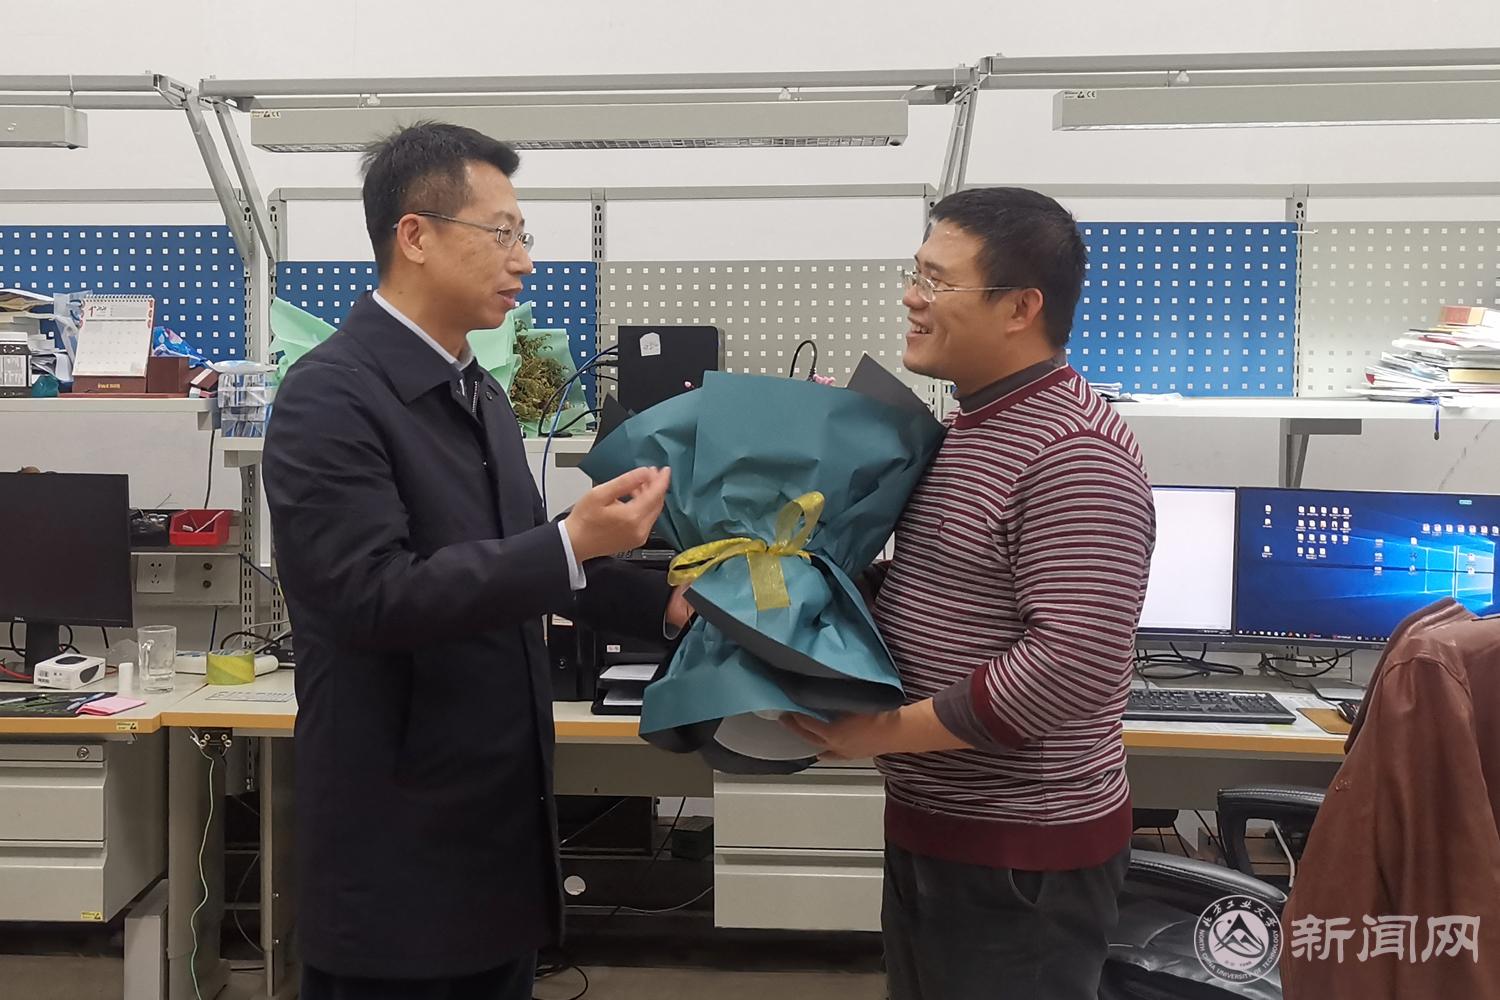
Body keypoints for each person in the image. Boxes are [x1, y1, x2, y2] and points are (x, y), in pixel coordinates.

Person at [264, 122, 690, 1000]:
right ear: (414, 236)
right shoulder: (330, 397)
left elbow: (520, 555)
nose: (523, 261)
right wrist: (570, 541)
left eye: (523, 235)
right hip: (399, 854)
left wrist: (666, 604)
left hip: (496, 839)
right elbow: (370, 597)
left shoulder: (477, 391)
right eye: (501, 233)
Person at [785, 187, 1156, 999]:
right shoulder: (968, 431)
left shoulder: (1074, 452)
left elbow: (1069, 666)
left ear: (1021, 307)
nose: (912, 298)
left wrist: (882, 732)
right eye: (915, 274)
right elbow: (940, 589)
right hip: (939, 828)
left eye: (938, 281)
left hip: (1022, 859)